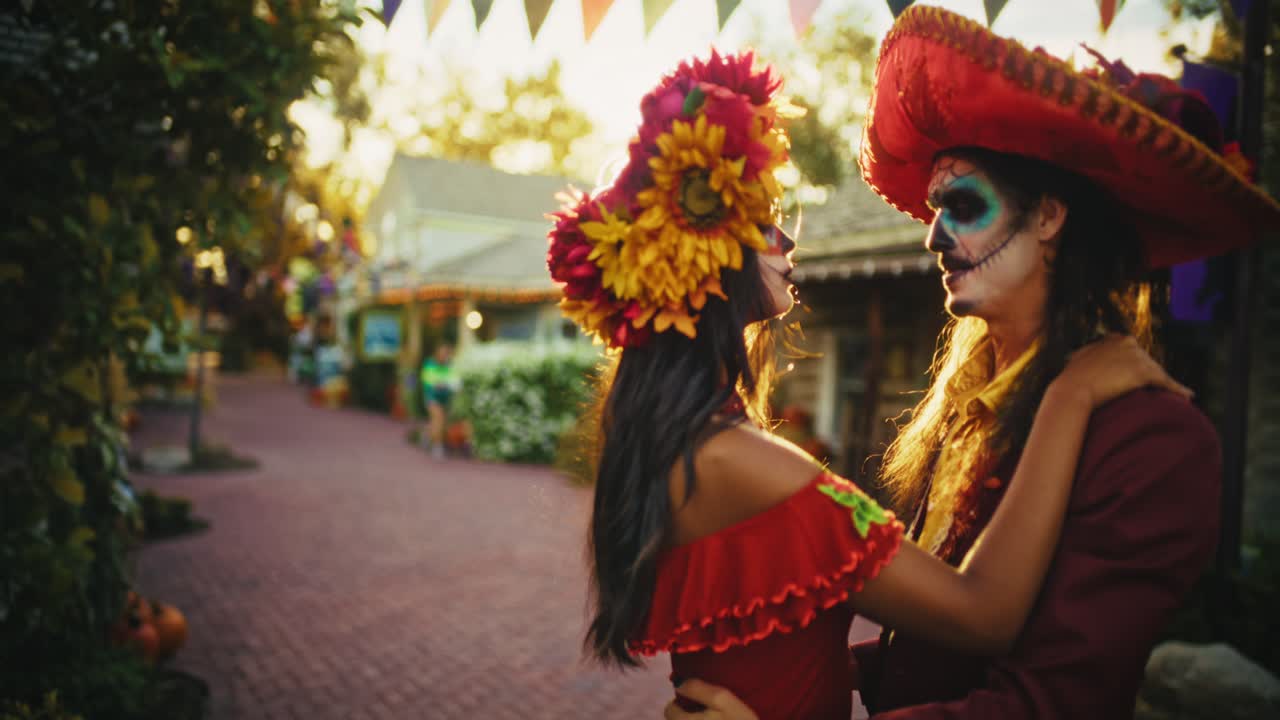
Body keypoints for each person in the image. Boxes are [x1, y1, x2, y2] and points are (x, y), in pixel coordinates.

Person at [668, 7, 1280, 719]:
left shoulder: (1155, 440)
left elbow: (1050, 704)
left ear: (1049, 217)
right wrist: (787, 686)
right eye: (933, 210)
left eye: (962, 204)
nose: (932, 236)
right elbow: (931, 654)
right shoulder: (970, 402)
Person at [546, 50, 1189, 720]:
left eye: (963, 206)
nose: (788, 242)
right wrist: (1074, 394)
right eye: (764, 221)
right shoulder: (742, 461)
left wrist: (839, 668)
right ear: (702, 252)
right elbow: (982, 616)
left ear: (1052, 219)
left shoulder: (689, 442)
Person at [420, 343, 458, 458]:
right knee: (438, 419)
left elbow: (455, 381)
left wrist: (448, 384)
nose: (444, 356)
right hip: (432, 397)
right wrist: (443, 384)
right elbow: (429, 380)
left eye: (446, 354)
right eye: (442, 353)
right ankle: (438, 446)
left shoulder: (450, 366)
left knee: (439, 422)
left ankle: (426, 435)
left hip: (444, 398)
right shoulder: (430, 364)